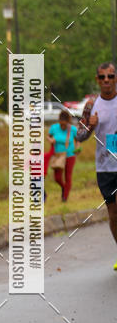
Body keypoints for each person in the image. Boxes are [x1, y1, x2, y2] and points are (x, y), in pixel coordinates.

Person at [76, 61, 117, 269]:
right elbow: (79, 135)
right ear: (97, 80)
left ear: (115, 78)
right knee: (113, 213)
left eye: (110, 76)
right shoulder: (92, 105)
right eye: (102, 77)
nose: (106, 80)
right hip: (105, 167)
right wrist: (90, 127)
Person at [44, 109, 78, 202]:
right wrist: (50, 140)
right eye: (61, 123)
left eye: (64, 124)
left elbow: (77, 140)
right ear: (59, 121)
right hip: (58, 156)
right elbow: (48, 136)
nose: (62, 126)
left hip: (70, 155)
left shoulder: (73, 129)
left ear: (68, 122)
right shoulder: (54, 128)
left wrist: (77, 149)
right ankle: (64, 188)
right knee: (57, 178)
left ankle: (64, 198)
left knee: (68, 176)